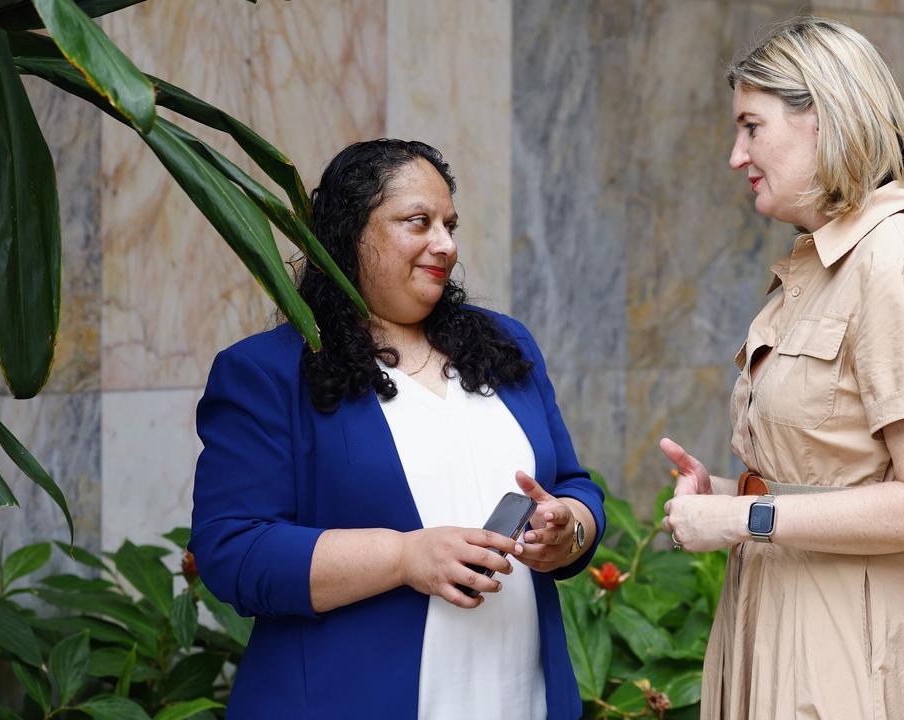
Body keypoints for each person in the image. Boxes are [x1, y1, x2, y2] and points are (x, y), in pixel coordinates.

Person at [190, 139, 605, 719]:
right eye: (419, 222)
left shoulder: (504, 344)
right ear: (349, 234)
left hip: (521, 700)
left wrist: (571, 531)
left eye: (449, 224)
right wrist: (403, 556)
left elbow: (573, 486)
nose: (446, 244)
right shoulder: (266, 372)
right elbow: (232, 552)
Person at [659, 17, 904, 719]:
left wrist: (745, 515)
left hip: (852, 639)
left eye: (751, 126)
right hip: (784, 610)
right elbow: (839, 472)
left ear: (825, 120)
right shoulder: (827, 264)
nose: (735, 155)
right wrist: (721, 493)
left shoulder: (898, 262)